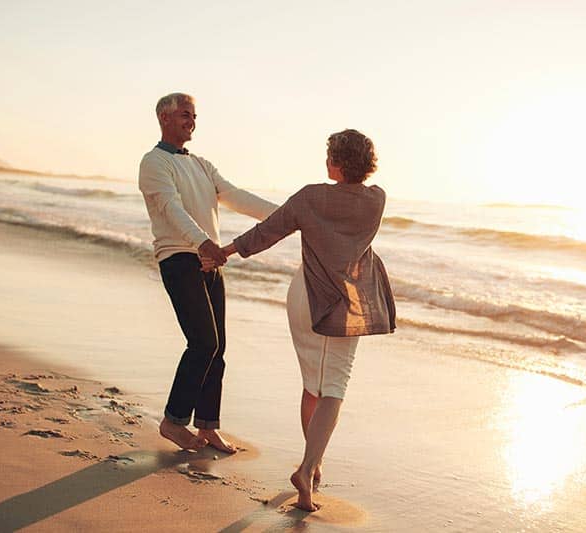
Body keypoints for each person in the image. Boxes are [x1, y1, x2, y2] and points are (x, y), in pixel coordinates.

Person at [218, 128, 396, 511]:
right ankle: (308, 469)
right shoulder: (377, 200)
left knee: (313, 383)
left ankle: (311, 466)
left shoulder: (311, 196)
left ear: (337, 163)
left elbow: (268, 231)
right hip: (345, 300)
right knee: (334, 386)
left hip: (304, 297)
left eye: (329, 155)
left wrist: (226, 251)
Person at [138, 92, 278, 453]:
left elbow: (236, 196)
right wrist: (202, 243)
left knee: (218, 348)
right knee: (203, 343)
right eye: (185, 115)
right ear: (164, 118)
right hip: (180, 257)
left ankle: (207, 426)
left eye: (194, 116)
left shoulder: (201, 164)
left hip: (208, 260)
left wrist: (285, 217)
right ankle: (173, 421)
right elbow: (170, 208)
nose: (192, 121)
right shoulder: (153, 162)